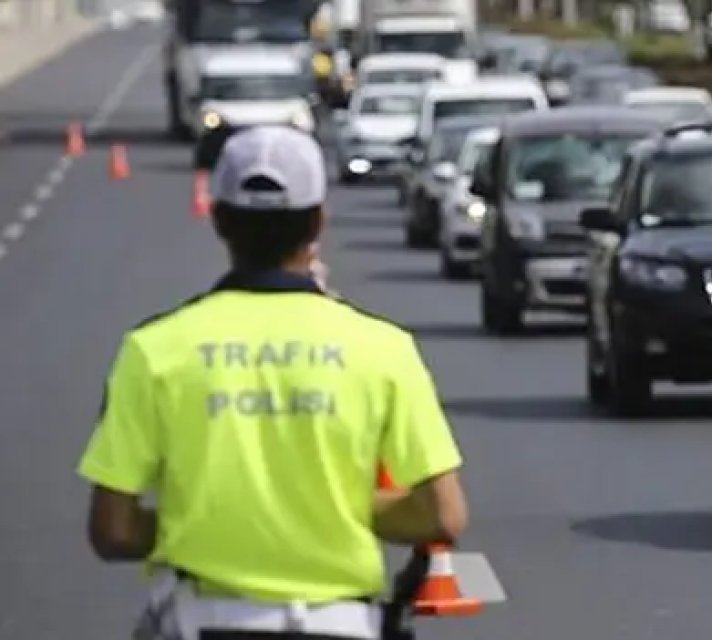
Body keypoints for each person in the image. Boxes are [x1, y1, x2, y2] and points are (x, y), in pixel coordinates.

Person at [77, 125, 468, 640]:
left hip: (202, 622)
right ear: (319, 222)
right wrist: (333, 507)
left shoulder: (153, 350)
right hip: (342, 624)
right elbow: (443, 516)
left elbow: (113, 530)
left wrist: (200, 521)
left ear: (218, 219)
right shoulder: (383, 349)